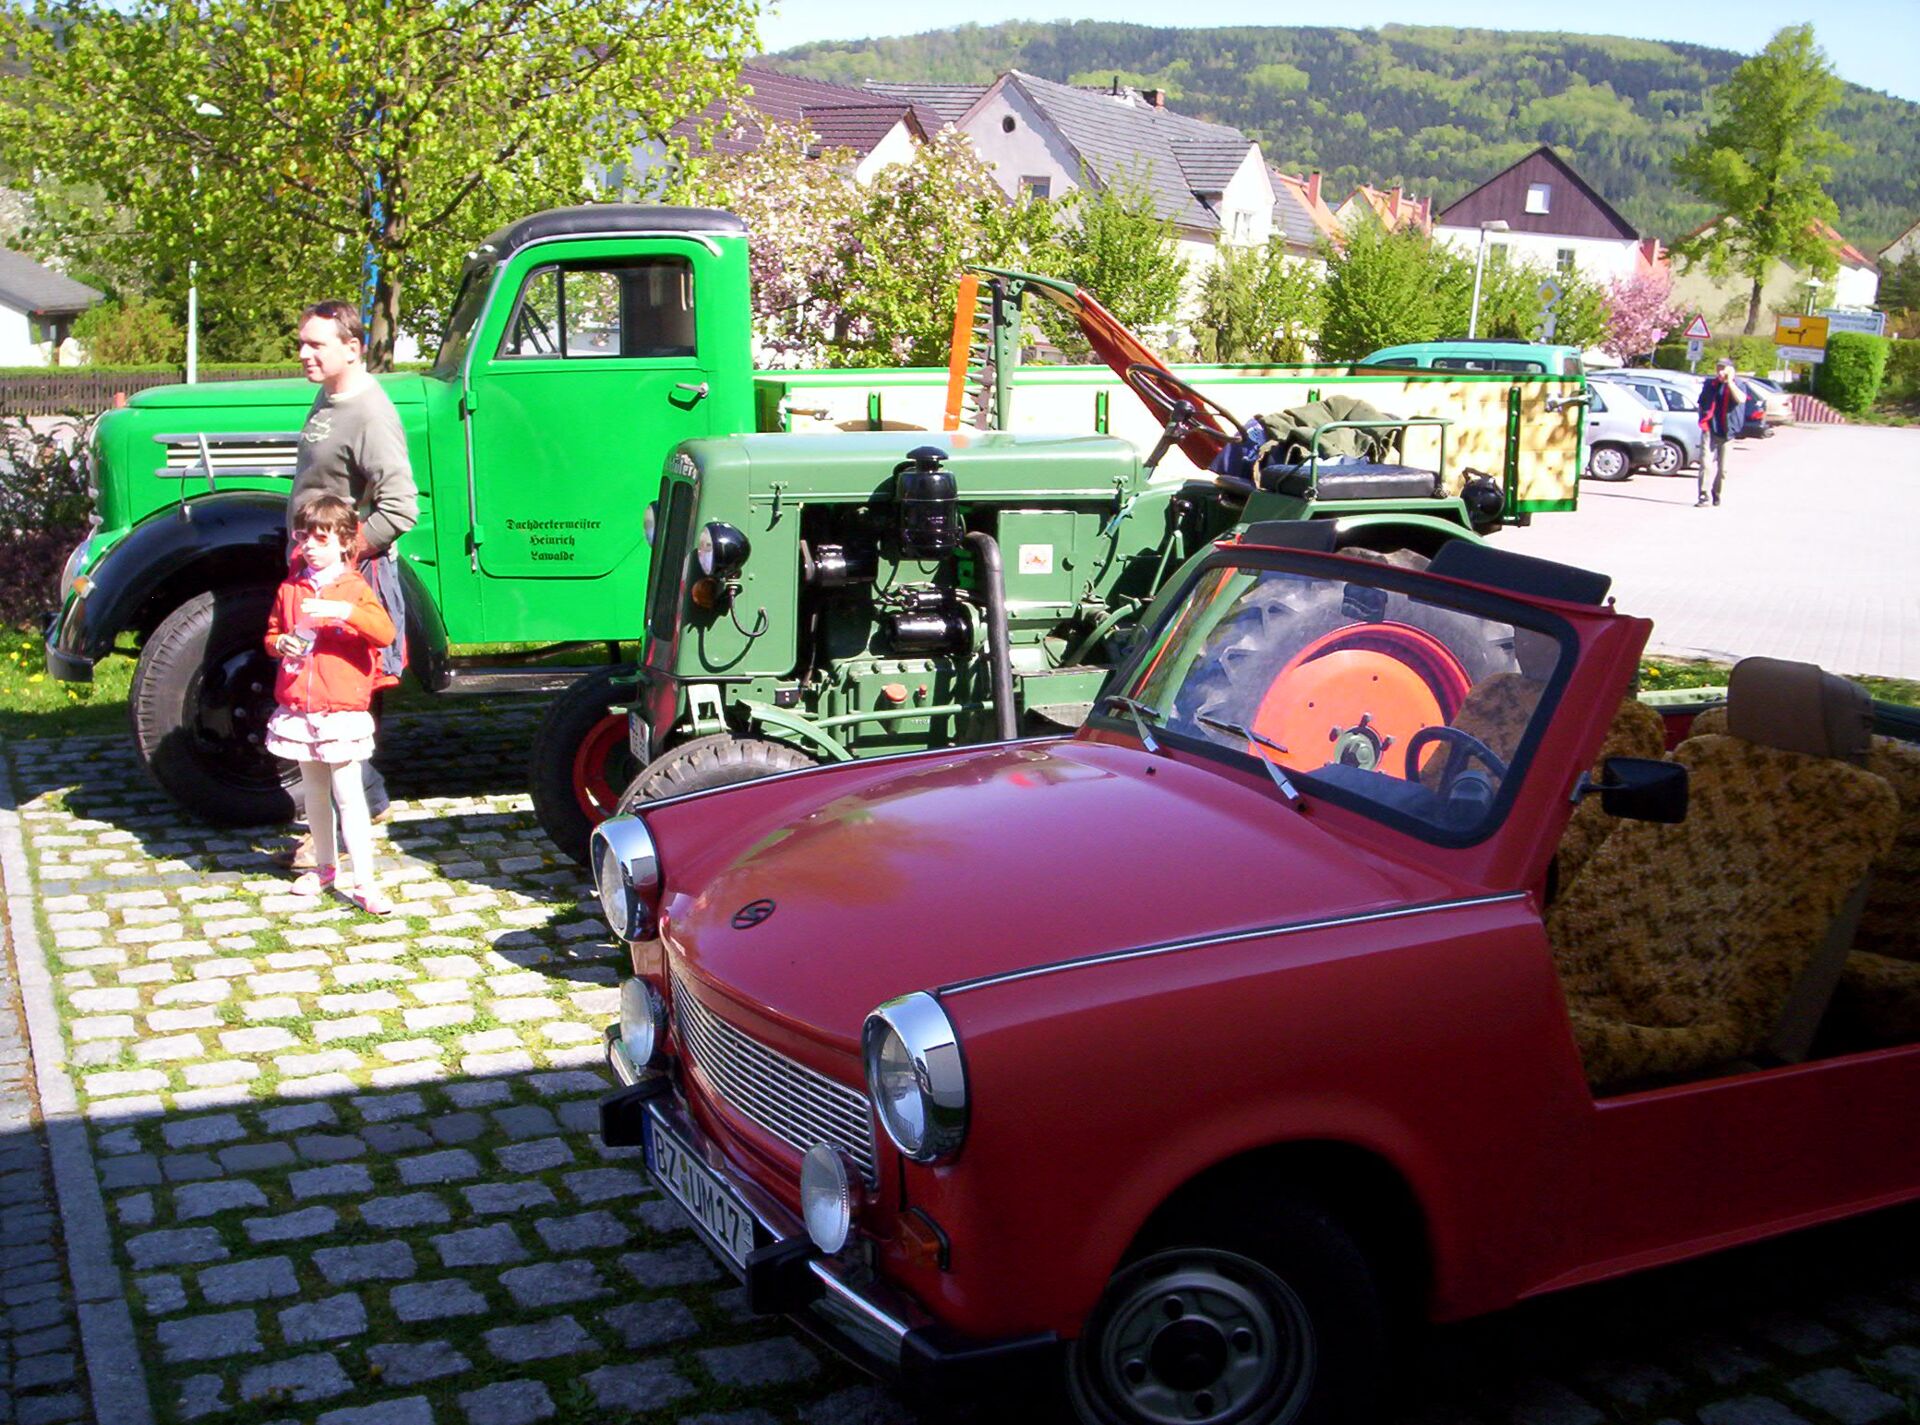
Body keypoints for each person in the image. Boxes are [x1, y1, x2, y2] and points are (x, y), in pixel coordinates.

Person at [281, 299, 419, 866]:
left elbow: (400, 507)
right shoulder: (330, 395)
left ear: (352, 347)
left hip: (345, 585)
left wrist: (342, 560)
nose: (305, 353)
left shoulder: (369, 412)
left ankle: (333, 832)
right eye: (302, 342)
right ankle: (367, 801)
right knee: (313, 695)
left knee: (337, 703)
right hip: (312, 574)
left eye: (317, 344)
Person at [264, 496, 397, 915]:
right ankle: (324, 868)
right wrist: (278, 643)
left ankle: (365, 880)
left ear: (344, 542)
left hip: (340, 710)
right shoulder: (291, 587)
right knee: (315, 795)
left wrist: (345, 612)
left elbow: (384, 632)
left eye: (320, 539)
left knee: (349, 795)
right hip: (301, 710)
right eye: (304, 538)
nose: (310, 547)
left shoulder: (355, 588)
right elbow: (273, 632)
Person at [1695, 358, 1746, 507]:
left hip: (1727, 432)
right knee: (1706, 464)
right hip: (1710, 430)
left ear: (1731, 370)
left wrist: (1730, 383)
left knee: (1723, 470)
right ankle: (1703, 496)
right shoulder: (1710, 384)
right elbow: (1701, 402)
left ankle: (1716, 493)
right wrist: (1703, 419)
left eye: (1724, 368)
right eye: (1718, 368)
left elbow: (1741, 399)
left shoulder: (1739, 384)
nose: (1720, 371)